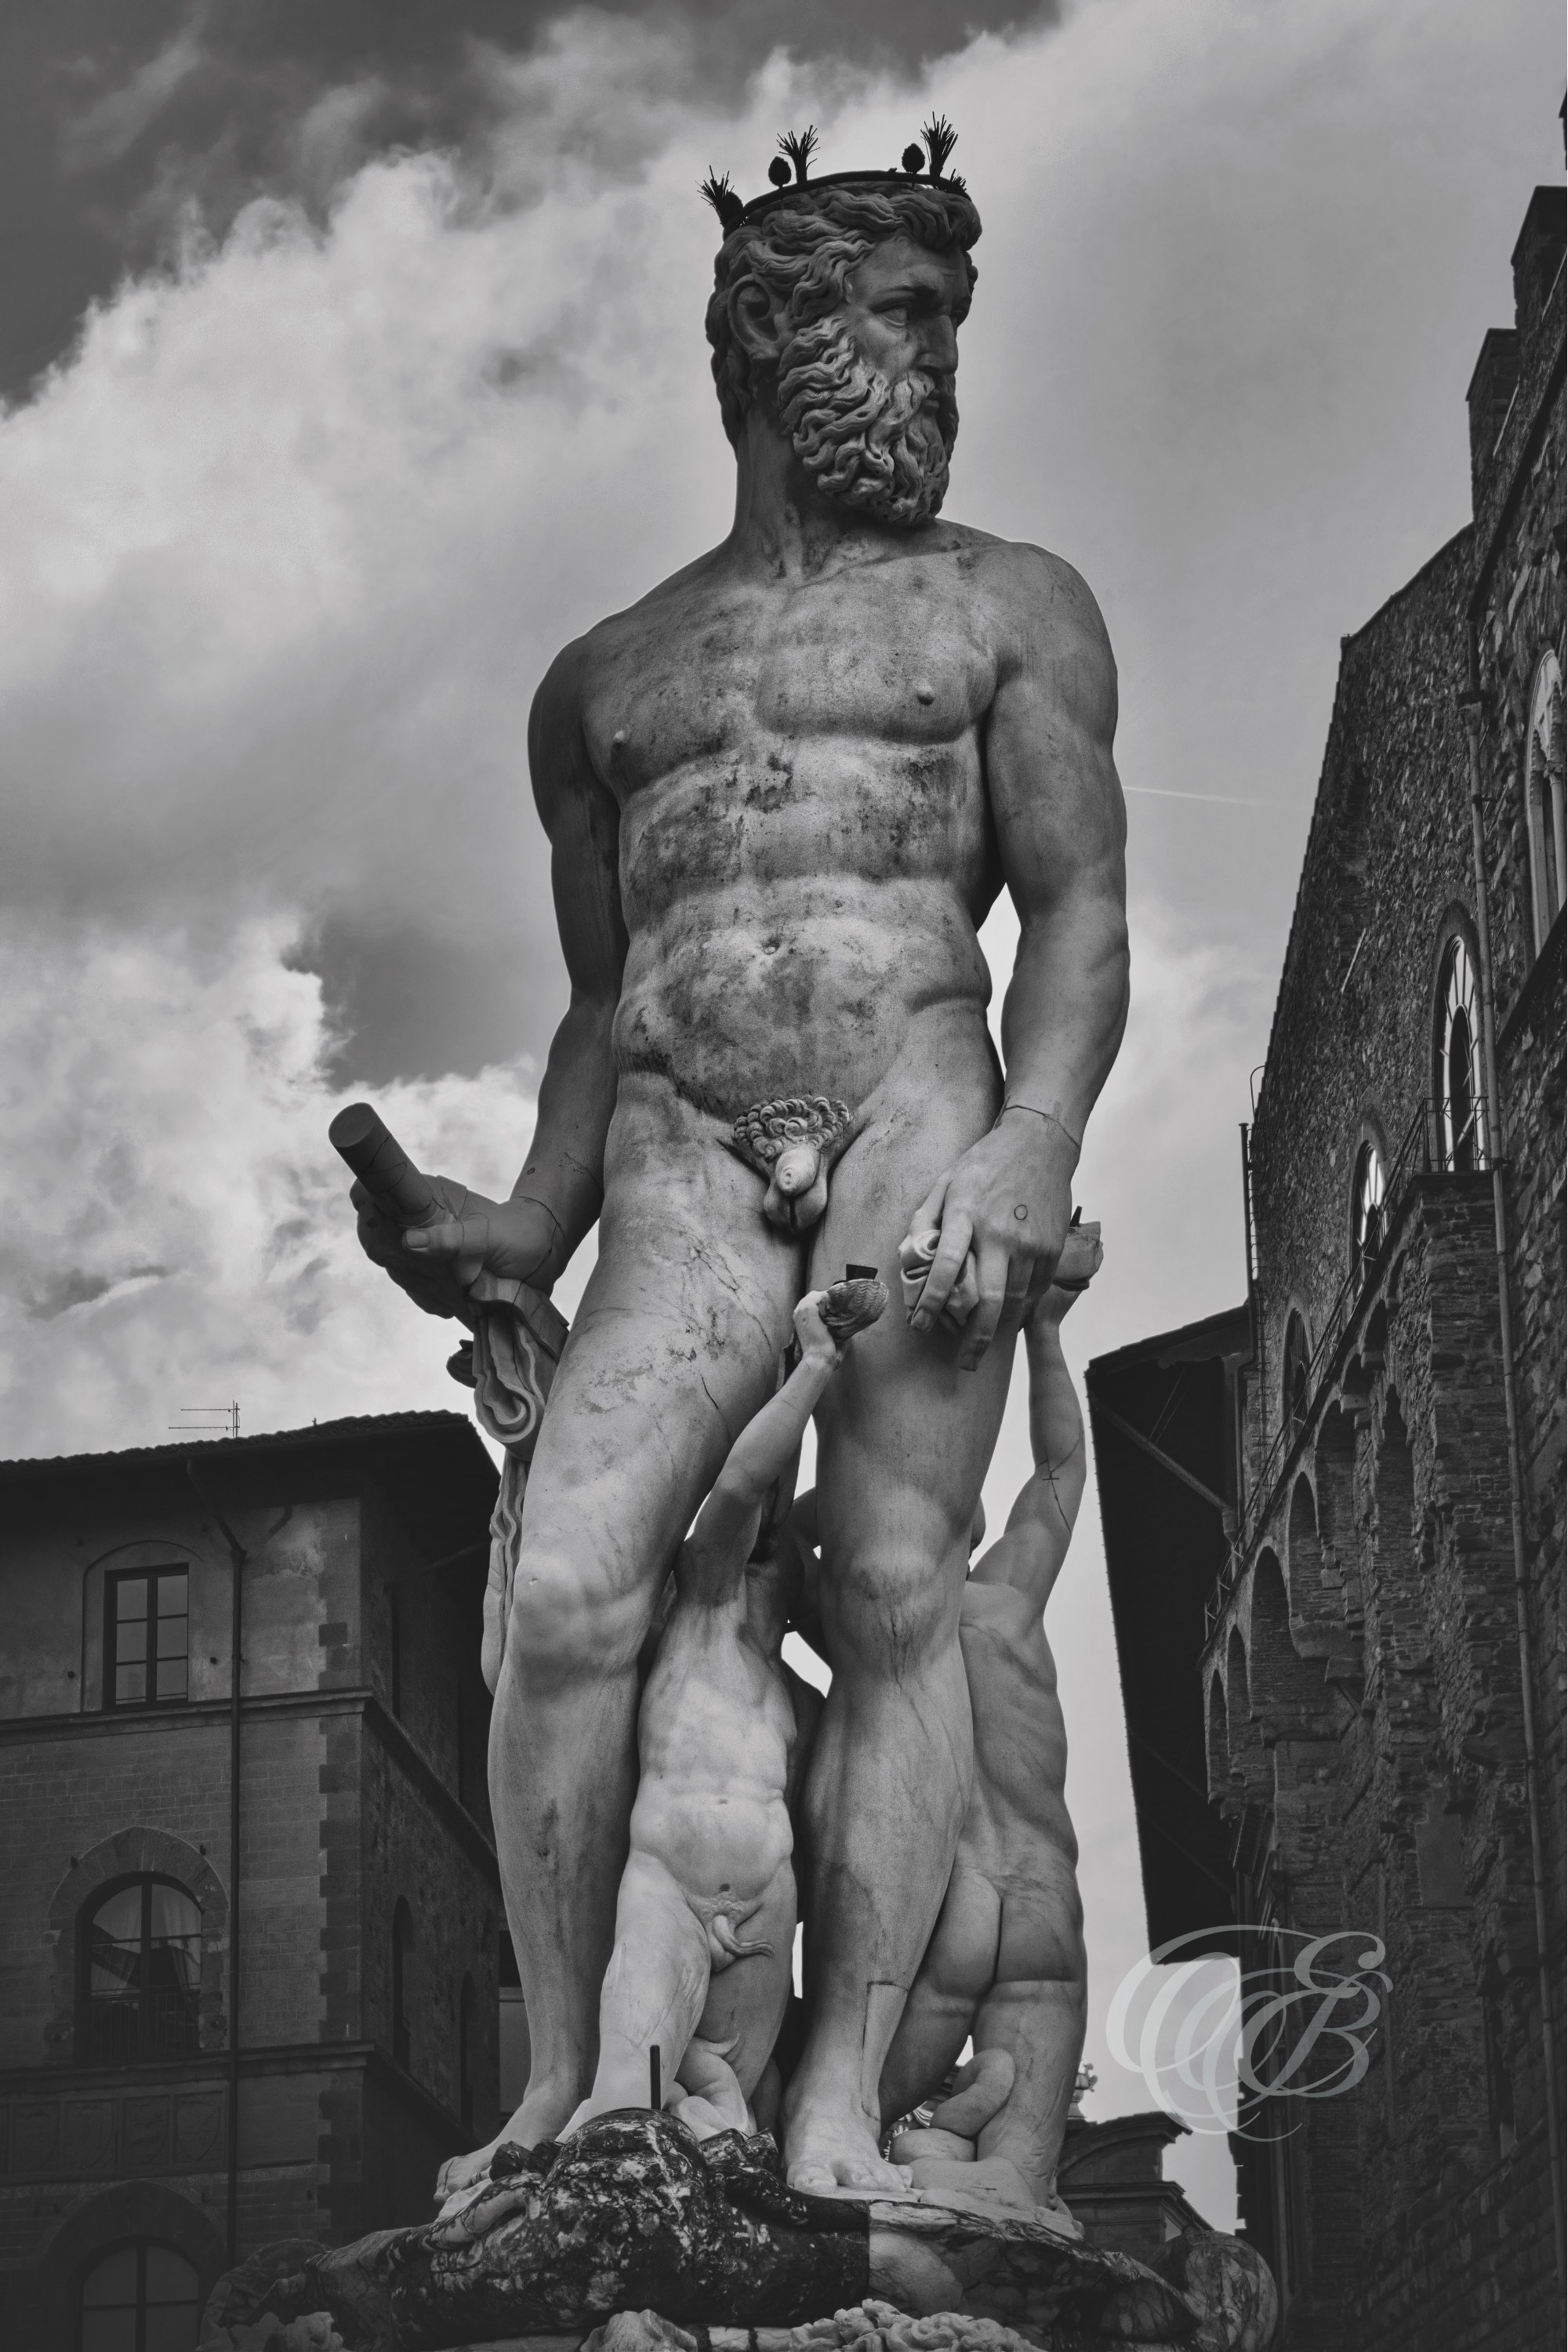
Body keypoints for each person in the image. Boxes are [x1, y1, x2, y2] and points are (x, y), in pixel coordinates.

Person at [350, 146, 1128, 2196]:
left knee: (888, 1580)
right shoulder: (603, 687)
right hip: (686, 1148)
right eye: (907, 315)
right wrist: (516, 1222)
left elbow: (1078, 911)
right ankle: (561, 2092)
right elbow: (607, 1001)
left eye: (952, 322)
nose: (943, 362)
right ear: (786, 336)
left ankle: (844, 2104)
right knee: (578, 1582)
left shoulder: (1006, 607)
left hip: (916, 1107)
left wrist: (1039, 1137)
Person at [564, 1283, 880, 2145]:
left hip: (767, 1914)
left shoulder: (802, 1703)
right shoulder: (699, 1607)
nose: (780, 1557)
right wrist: (814, 1362)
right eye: (776, 1548)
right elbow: (742, 1487)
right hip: (667, 1892)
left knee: (744, 2133)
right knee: (628, 2100)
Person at [878, 1219, 1102, 2221]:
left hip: (950, 1898)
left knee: (845, 2121)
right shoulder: (1006, 1598)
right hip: (1044, 1887)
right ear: (974, 1524)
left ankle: (900, 2151)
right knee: (1025, 2176)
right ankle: (986, 2164)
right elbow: (1059, 1473)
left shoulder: (881, 1624)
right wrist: (1044, 1325)